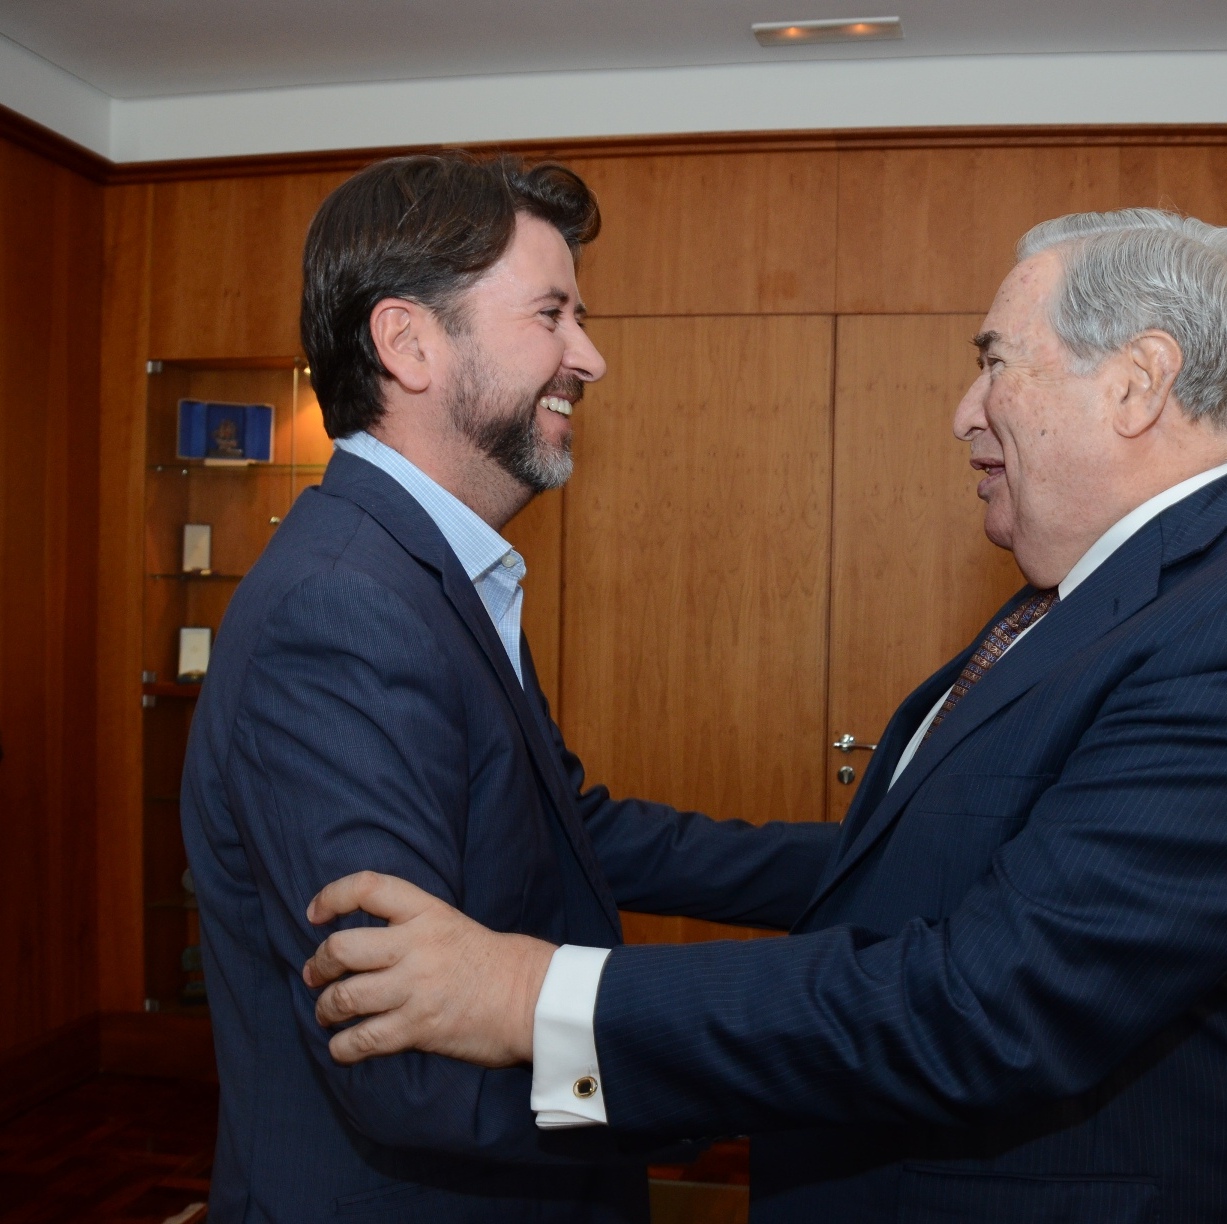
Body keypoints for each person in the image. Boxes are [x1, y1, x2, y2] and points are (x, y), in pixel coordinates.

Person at [303, 208, 1227, 1222]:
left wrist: (530, 997)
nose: (964, 411)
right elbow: (922, 867)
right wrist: (575, 845)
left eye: (995, 363)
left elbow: (996, 1002)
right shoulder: (1102, 594)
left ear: (1137, 384)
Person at [180, 152, 834, 1223]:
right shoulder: (343, 609)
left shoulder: (425, 571)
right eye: (551, 314)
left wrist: (866, 861)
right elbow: (405, 1064)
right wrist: (767, 1062)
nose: (591, 356)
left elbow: (567, 834)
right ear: (409, 342)